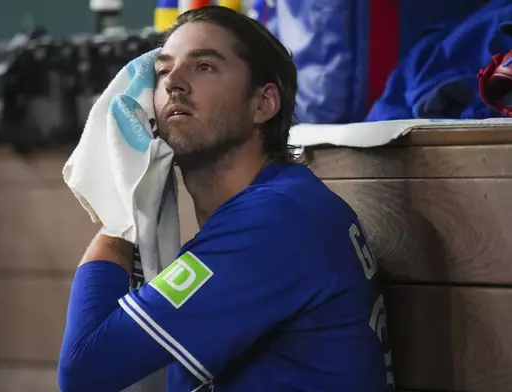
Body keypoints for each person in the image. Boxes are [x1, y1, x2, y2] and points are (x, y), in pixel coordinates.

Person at [58, 6, 394, 392]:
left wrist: (119, 214)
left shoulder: (274, 222)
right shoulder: (278, 204)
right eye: (164, 70)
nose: (173, 84)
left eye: (204, 67)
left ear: (263, 104)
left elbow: (83, 371)